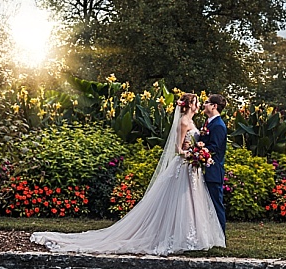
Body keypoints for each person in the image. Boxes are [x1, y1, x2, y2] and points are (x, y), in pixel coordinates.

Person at [30, 92, 226, 256]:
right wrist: (191, 154)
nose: (201, 104)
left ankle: (193, 235)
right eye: (198, 102)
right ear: (190, 105)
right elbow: (177, 148)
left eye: (204, 102)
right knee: (180, 202)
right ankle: (180, 236)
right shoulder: (184, 121)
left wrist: (197, 153)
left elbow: (202, 143)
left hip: (192, 168)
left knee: (191, 202)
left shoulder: (197, 122)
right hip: (184, 165)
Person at [201, 94, 227, 236]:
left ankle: (220, 235)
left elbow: (214, 148)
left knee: (216, 204)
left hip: (213, 171)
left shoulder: (218, 125)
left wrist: (198, 151)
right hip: (205, 168)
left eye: (206, 102)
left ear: (214, 106)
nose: (204, 105)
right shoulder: (209, 123)